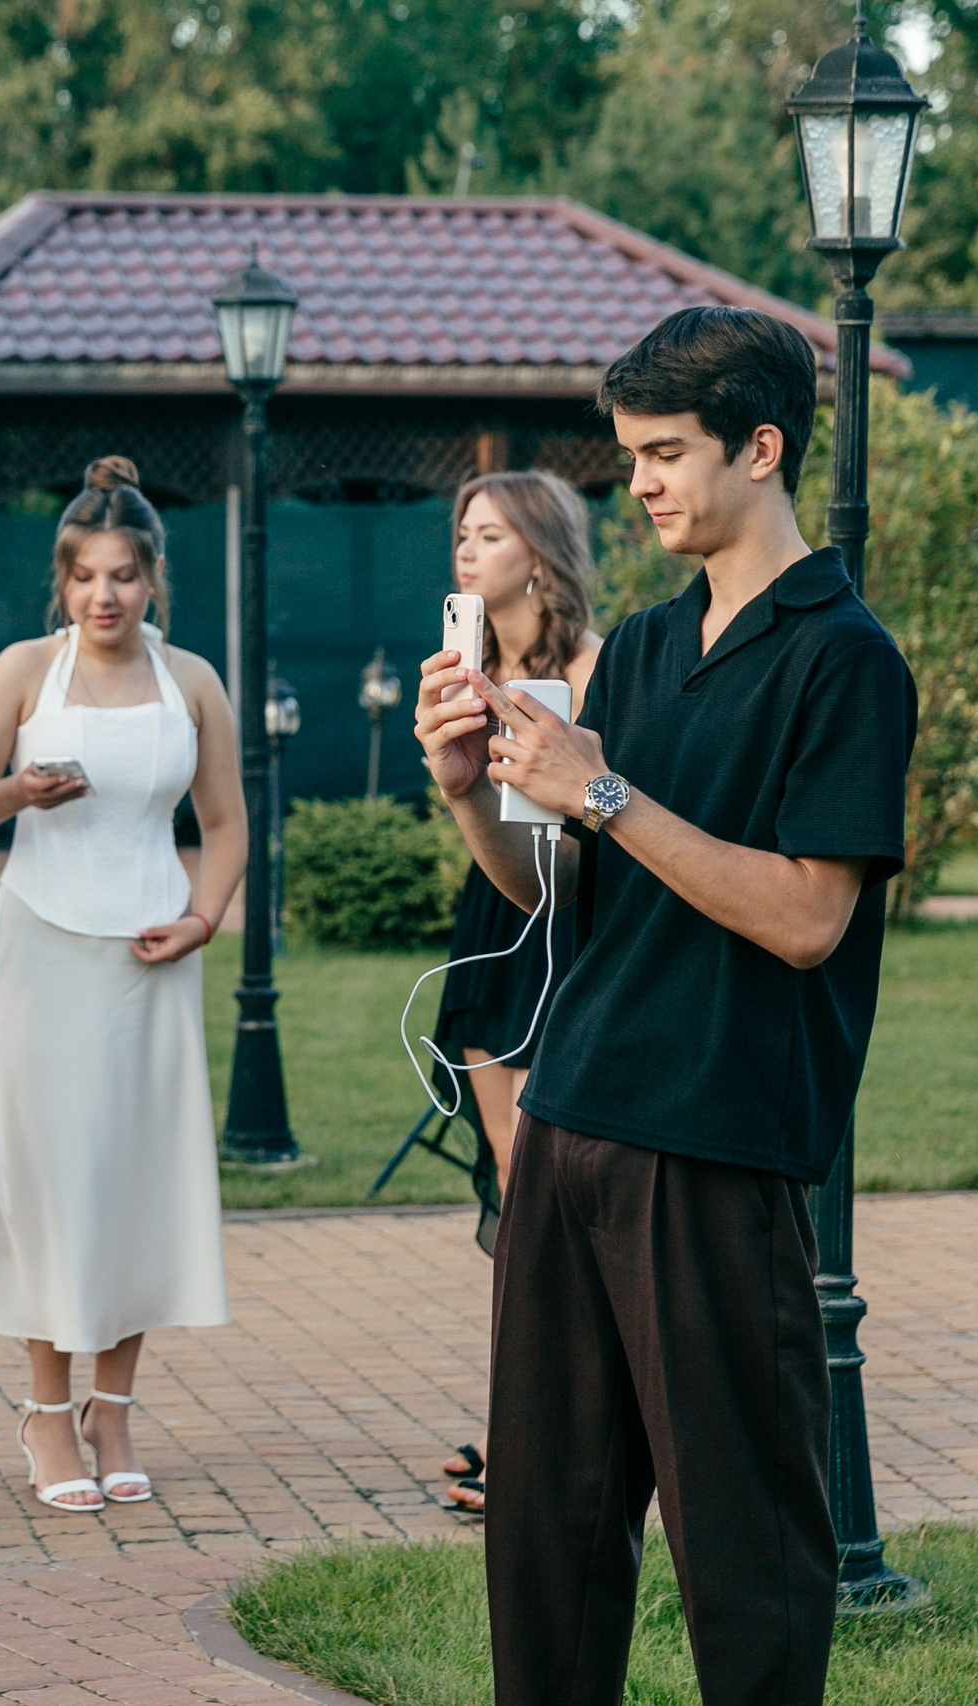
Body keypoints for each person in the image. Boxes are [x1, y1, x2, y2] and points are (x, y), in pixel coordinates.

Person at [415, 306, 916, 1705]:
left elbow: (809, 917)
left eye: (664, 452)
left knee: (743, 1548)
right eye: (628, 453)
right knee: (546, 1538)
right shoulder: (639, 647)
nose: (635, 481)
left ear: (760, 448)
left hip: (717, 1139)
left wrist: (601, 788)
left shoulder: (845, 657)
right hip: (572, 1117)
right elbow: (558, 890)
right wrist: (470, 793)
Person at [0, 455, 248, 1513]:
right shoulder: (24, 670)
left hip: (151, 952)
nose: (103, 595)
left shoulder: (192, 680)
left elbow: (226, 823)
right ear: (62, 580)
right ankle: (45, 1413)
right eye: (84, 576)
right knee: (57, 1177)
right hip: (46, 943)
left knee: (135, 1178)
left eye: (122, 575)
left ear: (152, 576)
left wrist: (202, 919)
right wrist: (20, 790)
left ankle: (112, 1411)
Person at [425, 469, 603, 1517]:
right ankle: (519, 1425)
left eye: (489, 533)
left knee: (555, 1184)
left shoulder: (596, 665)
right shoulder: (465, 666)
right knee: (515, 1182)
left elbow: (602, 809)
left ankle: (545, 1431)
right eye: (462, 531)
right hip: (495, 925)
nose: (466, 548)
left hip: (573, 923)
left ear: (540, 551)